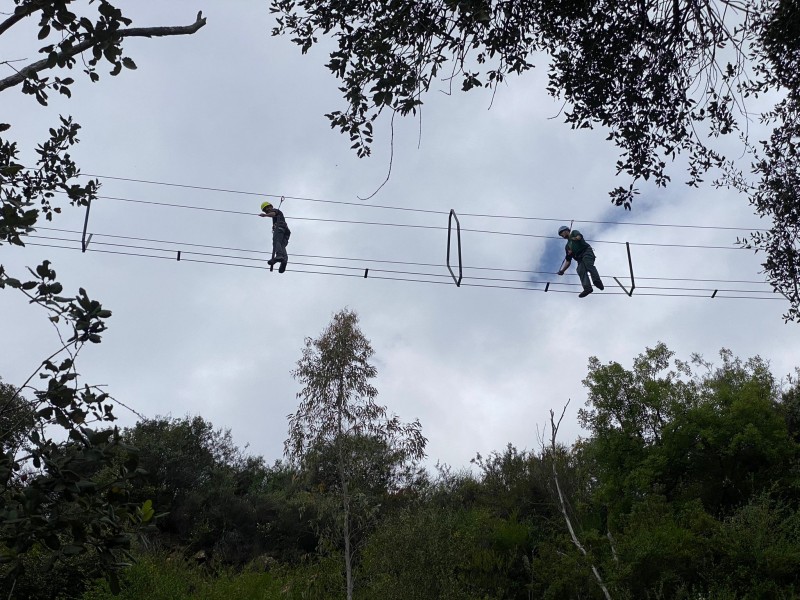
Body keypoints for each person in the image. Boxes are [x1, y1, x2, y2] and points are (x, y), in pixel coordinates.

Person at [556, 225, 604, 297]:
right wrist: (562, 270)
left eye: (562, 233)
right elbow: (568, 261)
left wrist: (575, 238)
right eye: (560, 235)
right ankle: (587, 288)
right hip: (580, 259)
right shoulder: (567, 246)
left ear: (566, 230)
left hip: (586, 252)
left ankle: (597, 281)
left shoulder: (574, 233)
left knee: (588, 264)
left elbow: (579, 237)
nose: (562, 235)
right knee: (580, 270)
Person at [260, 201, 291, 273]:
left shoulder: (275, 211)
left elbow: (273, 214)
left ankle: (279, 256)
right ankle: (284, 261)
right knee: (281, 246)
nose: (267, 210)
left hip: (280, 228)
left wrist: (265, 215)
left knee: (276, 241)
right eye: (265, 209)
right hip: (286, 232)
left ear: (271, 206)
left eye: (267, 207)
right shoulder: (276, 212)